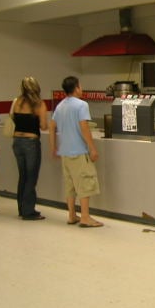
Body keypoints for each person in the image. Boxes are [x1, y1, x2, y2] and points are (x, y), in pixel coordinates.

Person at [49, 76, 103, 228]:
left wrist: (54, 147)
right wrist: (92, 148)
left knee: (70, 186)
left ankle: (72, 215)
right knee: (85, 183)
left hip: (65, 153)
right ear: (76, 88)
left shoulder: (60, 106)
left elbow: (51, 126)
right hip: (79, 151)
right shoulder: (81, 105)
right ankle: (85, 216)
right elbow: (84, 126)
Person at [12, 76, 48, 220]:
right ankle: (28, 211)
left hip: (17, 141)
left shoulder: (17, 102)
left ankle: (21, 208)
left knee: (23, 176)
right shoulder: (39, 104)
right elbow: (44, 126)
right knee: (31, 177)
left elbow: (14, 118)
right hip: (31, 142)